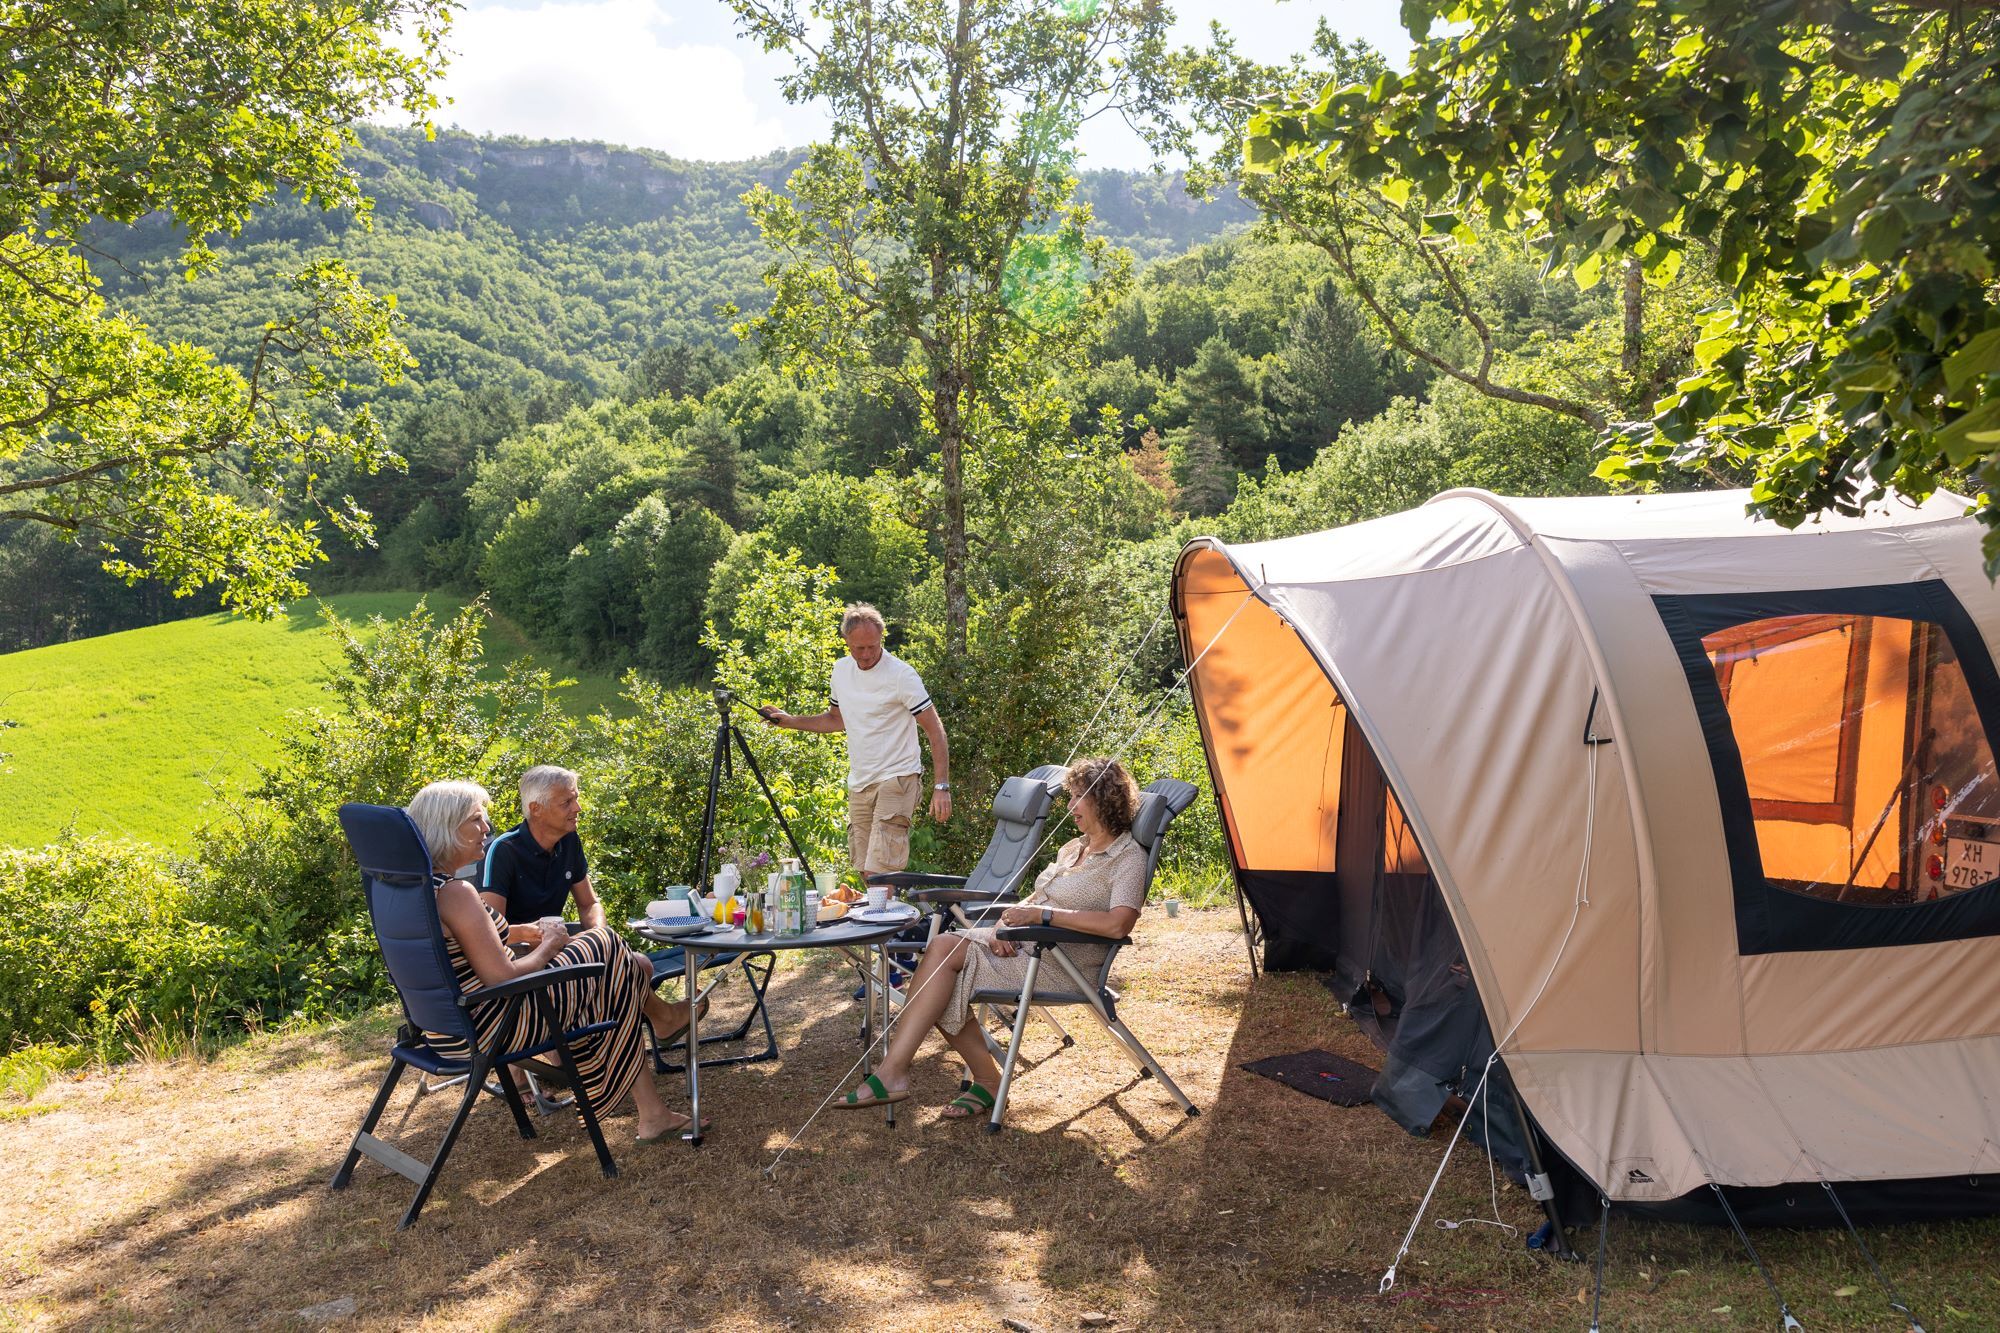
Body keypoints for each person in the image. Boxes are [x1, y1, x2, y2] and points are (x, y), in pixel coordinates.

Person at [834, 757, 1147, 1119]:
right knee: (940, 951)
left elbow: (1118, 925)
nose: (1070, 807)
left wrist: (1039, 917)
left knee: (939, 973)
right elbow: (1036, 899)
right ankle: (928, 1076)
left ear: (1103, 799)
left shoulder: (1127, 857)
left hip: (1061, 962)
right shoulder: (1074, 848)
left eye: (1077, 798)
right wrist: (1003, 926)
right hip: (1026, 944)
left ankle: (934, 1076)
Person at [407, 779, 702, 1142]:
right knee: (609, 949)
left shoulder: (418, 888)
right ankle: (649, 1055)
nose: (486, 828)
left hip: (445, 1028)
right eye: (476, 820)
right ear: (447, 828)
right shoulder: (457, 893)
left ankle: (651, 1107)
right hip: (497, 1024)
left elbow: (465, 939)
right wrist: (550, 946)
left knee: (614, 968)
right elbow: (500, 976)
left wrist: (520, 932)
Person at [758, 602, 953, 878]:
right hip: (860, 782)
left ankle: (888, 918)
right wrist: (791, 721)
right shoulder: (840, 671)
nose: (866, 654)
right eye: (859, 648)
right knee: (863, 870)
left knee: (880, 871)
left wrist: (941, 786)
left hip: (898, 777)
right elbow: (836, 719)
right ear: (846, 642)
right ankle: (890, 918)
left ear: (881, 638)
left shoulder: (901, 675)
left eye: (872, 646)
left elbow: (935, 730)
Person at [479, 765, 602, 928]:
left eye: (576, 798)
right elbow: (491, 931)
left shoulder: (569, 840)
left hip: (556, 944)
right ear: (536, 809)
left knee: (634, 954)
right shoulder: (502, 851)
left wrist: (599, 935)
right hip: (516, 951)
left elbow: (589, 904)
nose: (577, 808)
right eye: (567, 802)